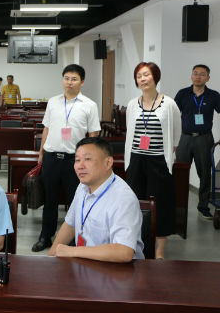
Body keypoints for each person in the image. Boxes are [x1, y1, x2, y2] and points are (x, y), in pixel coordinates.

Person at [32, 64, 100, 252]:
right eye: (66, 78)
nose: (69, 82)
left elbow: (93, 134)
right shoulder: (53, 102)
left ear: (82, 82)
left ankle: (72, 240)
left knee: (75, 201)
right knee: (50, 200)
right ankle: (46, 236)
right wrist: (41, 154)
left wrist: (89, 159)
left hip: (75, 161)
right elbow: (46, 128)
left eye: (74, 79)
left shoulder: (89, 105)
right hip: (51, 157)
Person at [49, 137, 145, 262]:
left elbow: (123, 252)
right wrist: (50, 258)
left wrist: (72, 251)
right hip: (86, 263)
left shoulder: (123, 198)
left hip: (117, 269)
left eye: (88, 159)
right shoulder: (82, 186)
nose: (80, 166)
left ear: (108, 163)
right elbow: (70, 225)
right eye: (77, 160)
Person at [125, 62, 181, 259]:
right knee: (135, 203)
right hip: (136, 160)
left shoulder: (169, 104)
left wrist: (167, 155)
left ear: (155, 77)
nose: (143, 79)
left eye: (146, 75)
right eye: (139, 76)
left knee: (161, 204)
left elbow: (176, 134)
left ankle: (159, 250)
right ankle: (138, 244)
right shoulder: (133, 104)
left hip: (158, 161)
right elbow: (130, 132)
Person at [175, 64, 220, 220]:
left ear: (208, 78)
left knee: (205, 174)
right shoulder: (182, 94)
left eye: (202, 74)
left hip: (204, 139)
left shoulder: (214, 95)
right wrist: (173, 140)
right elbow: (173, 115)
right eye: (195, 73)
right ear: (191, 76)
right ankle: (178, 207)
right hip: (185, 138)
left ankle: (203, 206)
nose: (198, 76)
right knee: (180, 173)